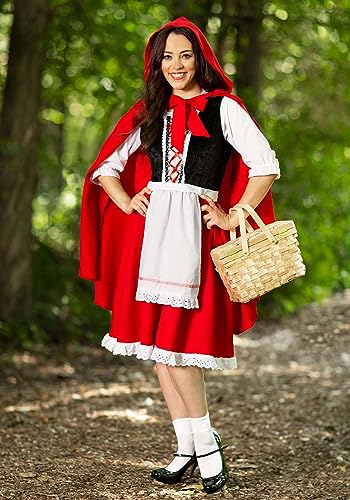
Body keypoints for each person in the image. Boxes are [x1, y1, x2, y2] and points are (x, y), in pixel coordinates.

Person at [80, 17, 280, 494]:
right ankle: (187, 448)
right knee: (159, 353)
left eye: (185, 55)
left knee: (179, 351)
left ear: (201, 59)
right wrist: (128, 201)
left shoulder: (222, 108)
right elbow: (106, 166)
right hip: (150, 240)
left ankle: (208, 450)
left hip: (194, 237)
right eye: (167, 56)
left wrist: (235, 215)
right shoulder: (149, 111)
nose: (176, 65)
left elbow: (265, 165)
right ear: (157, 63)